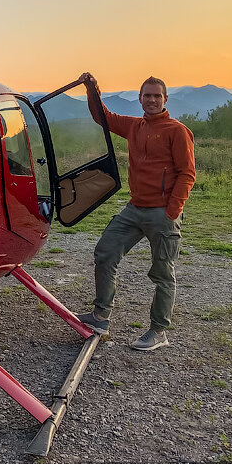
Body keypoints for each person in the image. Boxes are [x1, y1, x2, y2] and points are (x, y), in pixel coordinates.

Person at [76, 72, 196, 351]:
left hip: (162, 213)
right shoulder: (134, 126)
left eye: (157, 96)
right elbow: (102, 117)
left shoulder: (177, 131)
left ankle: (158, 332)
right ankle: (100, 316)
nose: (152, 100)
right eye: (147, 95)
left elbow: (187, 174)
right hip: (134, 208)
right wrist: (92, 89)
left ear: (165, 99)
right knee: (105, 253)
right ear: (140, 98)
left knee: (163, 273)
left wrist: (172, 210)